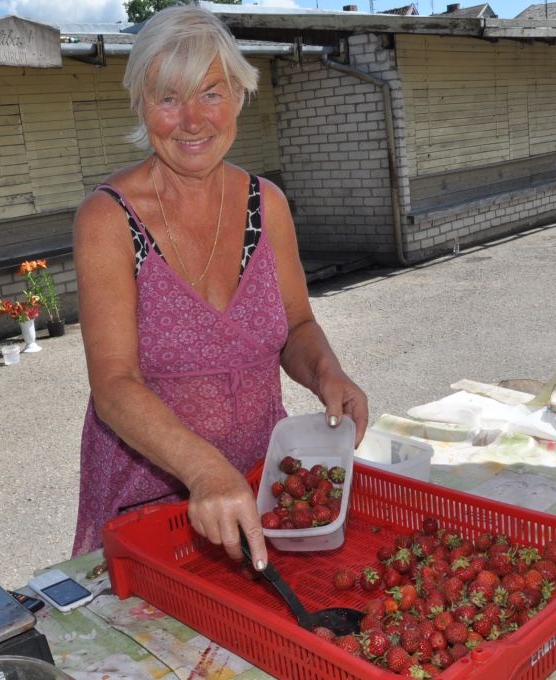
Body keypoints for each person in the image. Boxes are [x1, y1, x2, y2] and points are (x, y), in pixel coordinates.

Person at [72, 5, 368, 572]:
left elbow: (297, 327)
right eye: (168, 97)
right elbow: (113, 385)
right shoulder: (108, 219)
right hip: (148, 495)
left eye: (210, 93)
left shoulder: (268, 204)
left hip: (261, 481)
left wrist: (329, 374)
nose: (192, 120)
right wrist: (204, 470)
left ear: (237, 95)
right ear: (140, 104)